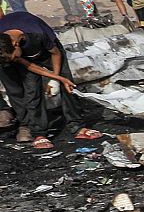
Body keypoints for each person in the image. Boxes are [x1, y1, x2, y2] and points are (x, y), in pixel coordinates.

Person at [0, 11, 95, 147]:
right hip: (26, 54)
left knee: (67, 83)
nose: (15, 60)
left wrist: (57, 79)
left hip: (48, 51)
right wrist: (55, 78)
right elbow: (29, 65)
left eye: (15, 58)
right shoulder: (5, 43)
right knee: (32, 91)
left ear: (16, 44)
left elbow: (55, 53)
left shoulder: (37, 33)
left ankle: (78, 126)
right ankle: (39, 133)